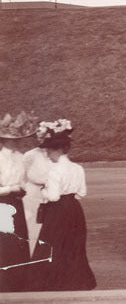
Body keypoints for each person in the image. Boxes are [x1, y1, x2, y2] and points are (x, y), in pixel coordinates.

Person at [30, 120, 96, 291]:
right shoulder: (78, 168)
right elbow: (82, 193)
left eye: (50, 151)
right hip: (74, 209)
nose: (48, 154)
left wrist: (43, 191)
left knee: (53, 244)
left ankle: (53, 281)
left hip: (57, 210)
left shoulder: (54, 171)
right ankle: (77, 280)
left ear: (59, 150)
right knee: (73, 245)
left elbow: (52, 197)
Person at [0, 112, 35, 293]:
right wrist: (12, 189)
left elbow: (23, 180)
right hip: (3, 203)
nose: (14, 142)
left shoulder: (20, 157)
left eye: (16, 139)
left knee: (19, 239)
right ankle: (5, 283)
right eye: (10, 139)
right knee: (5, 242)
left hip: (17, 203)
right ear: (3, 140)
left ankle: (19, 282)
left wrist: (21, 188)